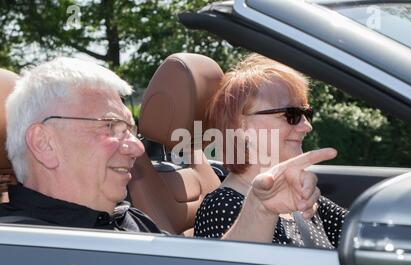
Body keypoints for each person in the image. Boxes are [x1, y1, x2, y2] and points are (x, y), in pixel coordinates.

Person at [0, 57, 337, 242]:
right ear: (44, 143)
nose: (135, 147)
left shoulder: (128, 218)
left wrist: (260, 211)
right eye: (109, 127)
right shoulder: (19, 248)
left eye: (129, 130)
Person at [194, 54, 348, 248]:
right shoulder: (222, 207)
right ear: (241, 126)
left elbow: (358, 231)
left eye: (306, 113)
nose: (306, 126)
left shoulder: (294, 193)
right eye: (291, 114)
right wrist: (261, 209)